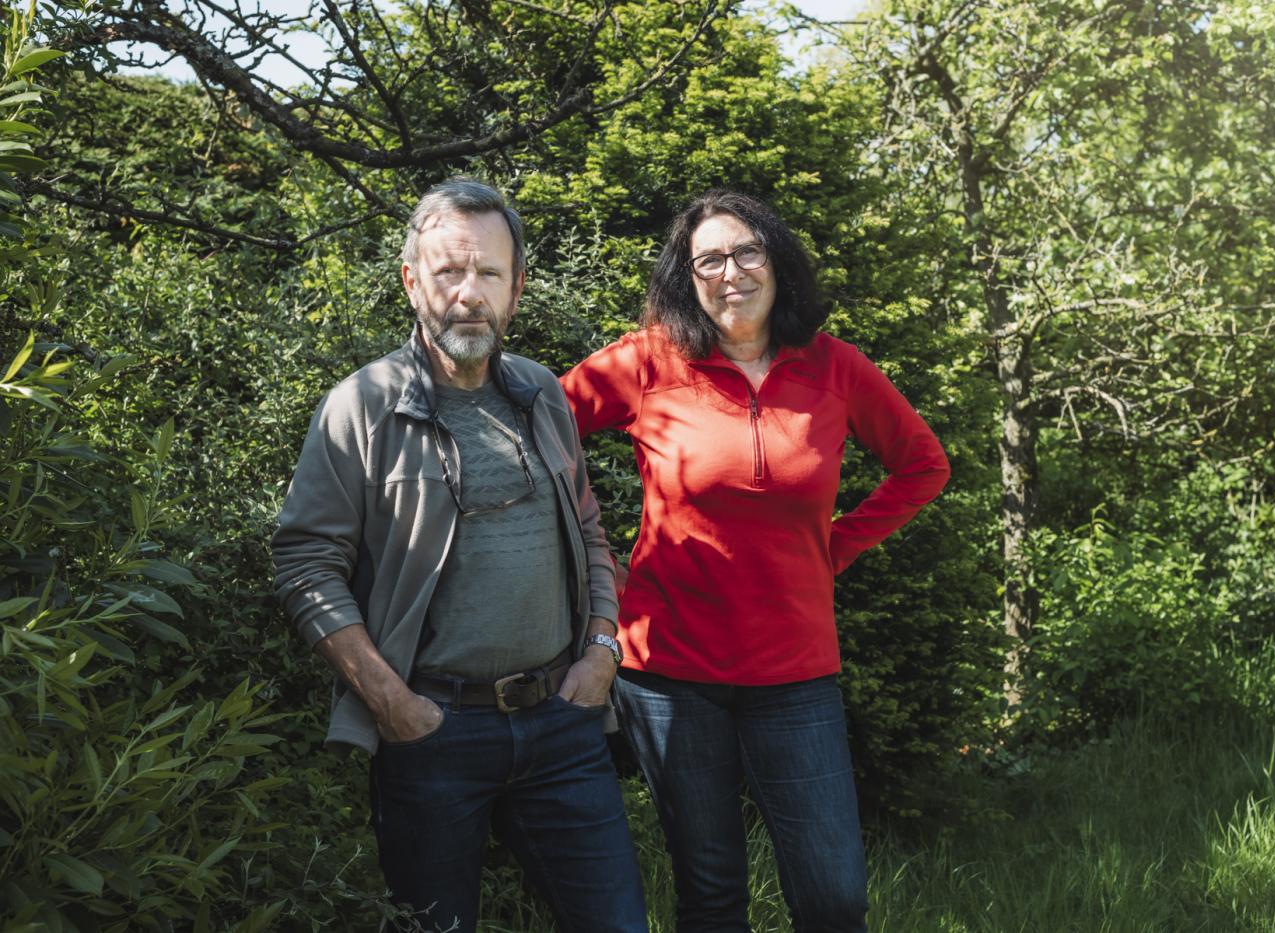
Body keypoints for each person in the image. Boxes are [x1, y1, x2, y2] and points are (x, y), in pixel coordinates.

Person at [560, 189, 951, 932]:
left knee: (835, 898)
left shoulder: (834, 368)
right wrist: (599, 561)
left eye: (747, 252)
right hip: (669, 671)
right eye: (708, 259)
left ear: (777, 262)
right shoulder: (646, 362)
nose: (730, 272)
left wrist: (833, 547)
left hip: (796, 674)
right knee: (711, 898)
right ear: (687, 276)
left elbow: (922, 465)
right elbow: (541, 432)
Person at [271, 178, 647, 932]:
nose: (467, 293)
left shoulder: (542, 394)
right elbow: (306, 566)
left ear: (517, 289)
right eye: (448, 272)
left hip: (564, 725)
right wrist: (393, 704)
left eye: (488, 274)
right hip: (431, 733)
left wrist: (603, 651)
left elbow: (589, 528)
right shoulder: (363, 405)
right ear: (412, 282)